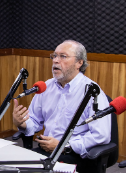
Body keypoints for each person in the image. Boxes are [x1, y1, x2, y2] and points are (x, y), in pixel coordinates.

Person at [13, 40, 111, 172]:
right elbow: (35, 121)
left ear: (79, 63)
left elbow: (101, 135)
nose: (55, 61)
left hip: (75, 155)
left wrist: (64, 146)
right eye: (54, 56)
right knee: (12, 166)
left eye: (63, 56)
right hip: (47, 152)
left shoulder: (92, 92)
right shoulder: (46, 87)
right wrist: (22, 123)